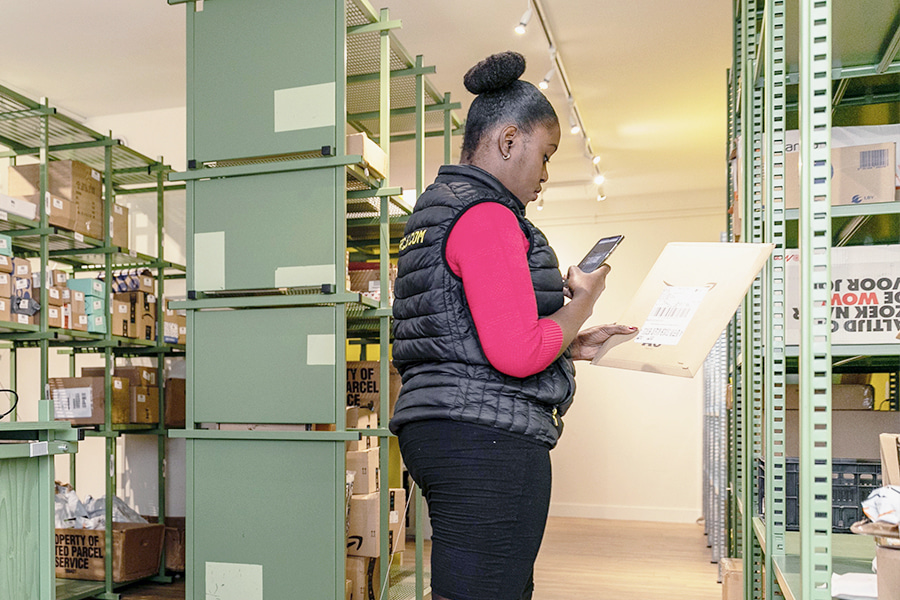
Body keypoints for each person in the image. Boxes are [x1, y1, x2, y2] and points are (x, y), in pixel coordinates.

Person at [389, 51, 636, 600]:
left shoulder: (437, 209)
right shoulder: (487, 215)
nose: (545, 175)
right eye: (544, 155)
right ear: (507, 141)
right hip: (487, 438)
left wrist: (569, 343)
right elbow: (517, 354)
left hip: (442, 426)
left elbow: (460, 332)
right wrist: (583, 304)